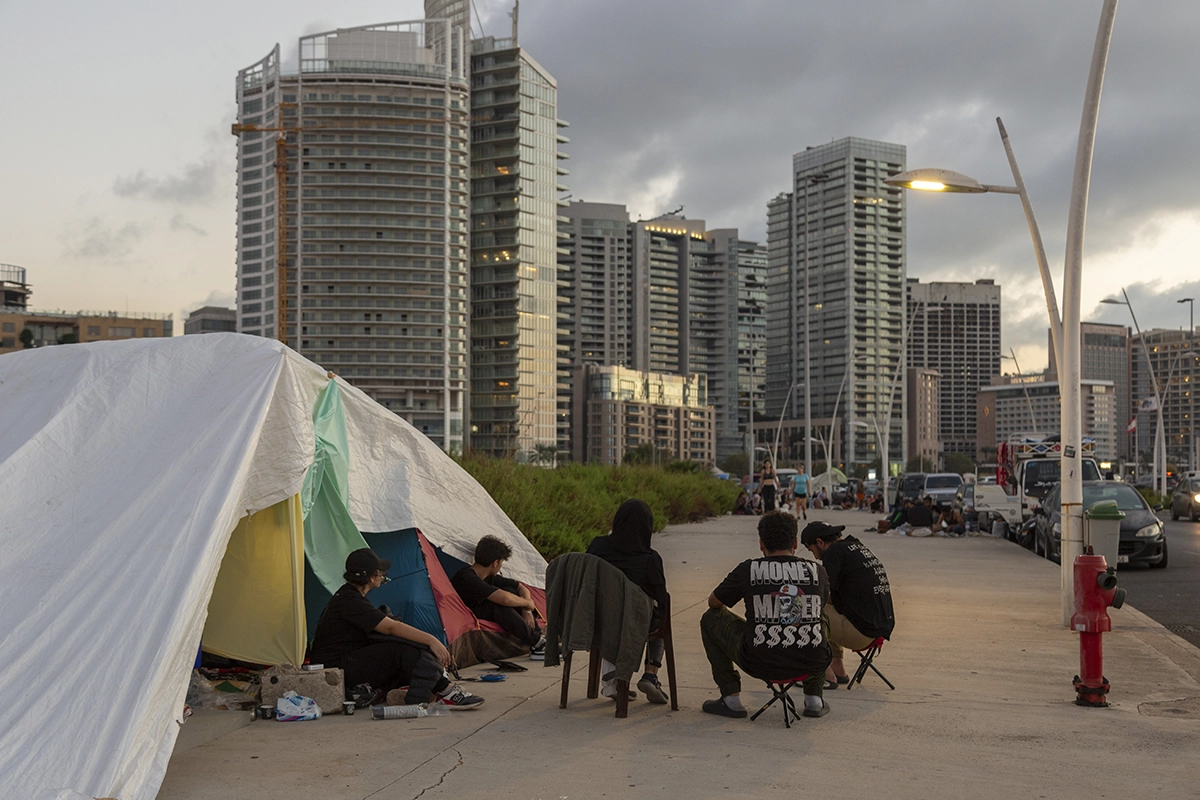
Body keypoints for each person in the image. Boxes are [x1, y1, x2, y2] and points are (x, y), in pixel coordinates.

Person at [310, 548, 484, 709]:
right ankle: (446, 691)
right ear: (372, 577)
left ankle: (411, 690)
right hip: (335, 668)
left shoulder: (349, 595)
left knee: (407, 651)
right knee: (403, 651)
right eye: (380, 571)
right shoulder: (350, 601)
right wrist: (432, 640)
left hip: (346, 660)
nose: (383, 575)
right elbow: (391, 628)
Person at [700, 511, 832, 719]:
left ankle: (731, 699)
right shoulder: (818, 571)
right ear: (795, 542)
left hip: (759, 661)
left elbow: (713, 603)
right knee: (819, 616)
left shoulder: (748, 569)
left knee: (710, 618)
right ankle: (814, 699)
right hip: (811, 662)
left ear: (761, 543)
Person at [586, 499, 671, 704]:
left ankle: (611, 674)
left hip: (595, 619)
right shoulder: (650, 559)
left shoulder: (598, 546)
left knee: (617, 614)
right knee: (659, 617)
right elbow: (662, 597)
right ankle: (651, 674)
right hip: (632, 626)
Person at [800, 522, 895, 689]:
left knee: (807, 609)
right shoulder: (855, 546)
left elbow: (824, 596)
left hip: (862, 633)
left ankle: (823, 674)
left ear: (820, 542)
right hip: (878, 629)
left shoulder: (834, 553)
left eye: (812, 550)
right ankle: (838, 667)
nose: (815, 556)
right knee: (826, 609)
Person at [451, 535, 545, 659]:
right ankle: (537, 642)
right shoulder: (467, 577)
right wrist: (527, 604)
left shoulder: (487, 576)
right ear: (495, 563)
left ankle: (538, 641)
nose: (501, 566)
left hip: (482, 608)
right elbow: (504, 599)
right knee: (499, 605)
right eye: (501, 562)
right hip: (466, 614)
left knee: (510, 591)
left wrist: (526, 610)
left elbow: (520, 587)